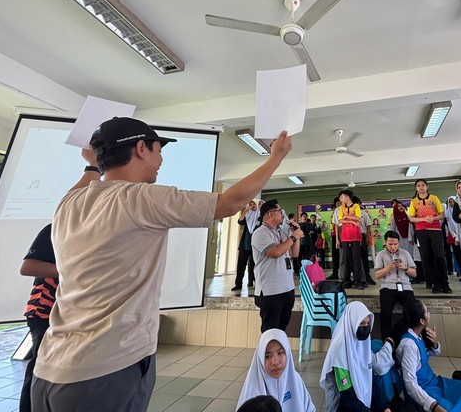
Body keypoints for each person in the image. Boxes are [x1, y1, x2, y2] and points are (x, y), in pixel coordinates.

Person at [31, 117, 293, 412]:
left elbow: (89, 181)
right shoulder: (141, 198)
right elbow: (229, 203)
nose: (161, 160)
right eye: (158, 150)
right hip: (105, 371)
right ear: (141, 148)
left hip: (49, 366)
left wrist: (94, 163)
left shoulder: (69, 202)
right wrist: (276, 157)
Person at [396, 300, 461, 412]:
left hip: (435, 382)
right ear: (422, 321)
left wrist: (434, 343)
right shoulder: (409, 345)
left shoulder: (419, 335)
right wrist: (433, 406)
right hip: (424, 391)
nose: (429, 314)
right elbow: (410, 384)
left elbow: (431, 353)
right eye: (427, 312)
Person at [320, 301, 394, 412]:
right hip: (342, 405)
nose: (365, 327)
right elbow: (347, 396)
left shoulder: (362, 344)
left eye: (368, 323)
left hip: (362, 401)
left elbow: (371, 381)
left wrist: (385, 407)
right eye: (361, 323)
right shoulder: (338, 353)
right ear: (352, 324)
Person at [19, 224, 58, 412]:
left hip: (72, 313)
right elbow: (28, 267)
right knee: (40, 370)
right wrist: (76, 271)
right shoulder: (55, 228)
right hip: (45, 311)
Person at [252, 199, 304, 332]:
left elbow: (294, 253)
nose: (282, 214)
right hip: (270, 290)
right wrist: (293, 237)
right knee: (270, 331)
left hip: (287, 288)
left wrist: (296, 234)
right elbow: (275, 252)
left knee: (281, 329)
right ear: (270, 214)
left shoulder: (280, 231)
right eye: (280, 211)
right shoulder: (260, 233)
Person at [237, 329, 315, 411]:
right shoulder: (252, 388)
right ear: (260, 359)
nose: (275, 362)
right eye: (267, 356)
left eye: (280, 353)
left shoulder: (296, 379)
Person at [407, 179, 450, 294]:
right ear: (416, 188)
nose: (421, 187)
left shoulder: (434, 198)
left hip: (435, 230)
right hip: (421, 231)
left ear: (427, 187)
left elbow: (442, 215)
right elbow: (411, 218)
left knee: (439, 256)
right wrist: (423, 219)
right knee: (427, 257)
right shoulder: (414, 201)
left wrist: (433, 218)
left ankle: (445, 283)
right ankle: (435, 283)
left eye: (423, 185)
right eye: (418, 186)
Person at [374, 230, 417, 340]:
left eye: (395, 244)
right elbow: (378, 275)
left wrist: (405, 267)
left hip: (405, 286)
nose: (393, 247)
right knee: (385, 313)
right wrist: (389, 267)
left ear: (398, 243)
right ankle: (386, 340)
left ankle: (409, 339)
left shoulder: (405, 253)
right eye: (390, 244)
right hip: (388, 286)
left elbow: (414, 274)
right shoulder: (381, 255)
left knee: (412, 311)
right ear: (385, 242)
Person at [338, 189, 366, 290]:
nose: (341, 199)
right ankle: (347, 280)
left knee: (356, 258)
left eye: (342, 197)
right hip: (345, 235)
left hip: (355, 235)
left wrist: (347, 217)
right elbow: (340, 219)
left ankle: (357, 281)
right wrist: (352, 220)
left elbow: (358, 218)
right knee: (346, 258)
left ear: (347, 196)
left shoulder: (356, 206)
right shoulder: (341, 208)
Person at [232, 200, 259, 291]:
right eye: (250, 205)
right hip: (245, 244)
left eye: (254, 204)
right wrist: (245, 211)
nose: (252, 206)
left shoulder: (259, 215)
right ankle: (238, 284)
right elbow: (240, 221)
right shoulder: (248, 215)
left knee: (255, 264)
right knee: (241, 265)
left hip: (256, 245)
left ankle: (254, 282)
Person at [444, 197, 461, 281]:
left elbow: (458, 224)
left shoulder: (459, 211)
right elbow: (450, 225)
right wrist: (454, 236)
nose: (452, 203)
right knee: (458, 255)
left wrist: (458, 235)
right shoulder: (448, 212)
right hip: (453, 237)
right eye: (450, 202)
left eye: (453, 201)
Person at [327, 197, 341, 280]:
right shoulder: (333, 214)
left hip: (342, 236)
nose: (338, 205)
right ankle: (335, 273)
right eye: (337, 204)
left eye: (340, 203)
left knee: (344, 255)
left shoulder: (343, 211)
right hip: (334, 236)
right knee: (335, 255)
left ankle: (346, 273)